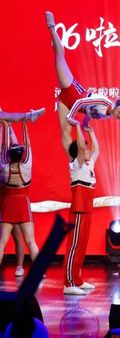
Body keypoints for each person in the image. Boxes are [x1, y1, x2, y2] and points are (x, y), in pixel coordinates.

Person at [45, 11, 120, 154]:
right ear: (119, 109)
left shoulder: (107, 115)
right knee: (59, 57)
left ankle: (73, 163)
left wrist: (85, 124)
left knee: (65, 132)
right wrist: (71, 116)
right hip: (72, 90)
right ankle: (52, 28)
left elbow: (88, 112)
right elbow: (81, 102)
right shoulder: (104, 102)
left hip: (68, 103)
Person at [63, 118, 99, 295]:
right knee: (74, 246)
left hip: (87, 209)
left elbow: (97, 150)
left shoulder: (89, 164)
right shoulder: (75, 165)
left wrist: (91, 133)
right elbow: (81, 147)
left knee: (82, 245)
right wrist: (77, 126)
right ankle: (68, 282)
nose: (88, 149)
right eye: (85, 147)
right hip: (78, 209)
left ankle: (77, 279)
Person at [0, 119, 40, 279]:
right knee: (31, 241)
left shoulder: (4, 168)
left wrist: (5, 126)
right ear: (22, 155)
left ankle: (20, 266)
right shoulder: (26, 167)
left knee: (2, 242)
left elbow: (3, 147)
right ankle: (39, 271)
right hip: (22, 204)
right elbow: (28, 146)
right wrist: (24, 123)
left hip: (8, 204)